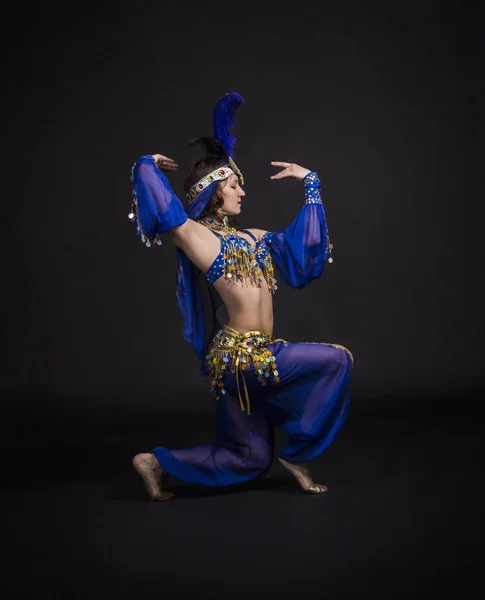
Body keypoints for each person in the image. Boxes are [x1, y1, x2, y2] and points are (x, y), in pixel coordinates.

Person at [129, 92, 353, 500]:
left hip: (248, 360)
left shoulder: (255, 238)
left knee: (249, 458)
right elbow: (166, 212)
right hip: (242, 357)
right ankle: (299, 453)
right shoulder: (200, 239)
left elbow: (307, 247)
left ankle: (156, 462)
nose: (242, 193)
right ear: (213, 190)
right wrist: (145, 164)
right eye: (234, 185)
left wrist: (311, 183)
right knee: (337, 359)